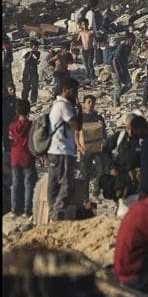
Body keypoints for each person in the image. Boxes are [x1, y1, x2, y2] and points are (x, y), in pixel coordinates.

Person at [47, 77, 83, 221]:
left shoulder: (57, 104)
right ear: (65, 90)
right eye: (74, 91)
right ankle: (57, 214)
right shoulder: (64, 105)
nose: (76, 94)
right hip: (62, 151)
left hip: (54, 150)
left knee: (54, 186)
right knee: (67, 186)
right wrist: (79, 111)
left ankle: (53, 213)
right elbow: (77, 126)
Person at [8, 100, 36, 217]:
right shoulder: (31, 125)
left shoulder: (12, 126)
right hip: (28, 156)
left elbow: (10, 140)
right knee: (28, 184)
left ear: (16, 111)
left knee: (15, 183)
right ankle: (27, 210)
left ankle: (14, 209)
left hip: (15, 156)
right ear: (29, 111)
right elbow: (34, 141)